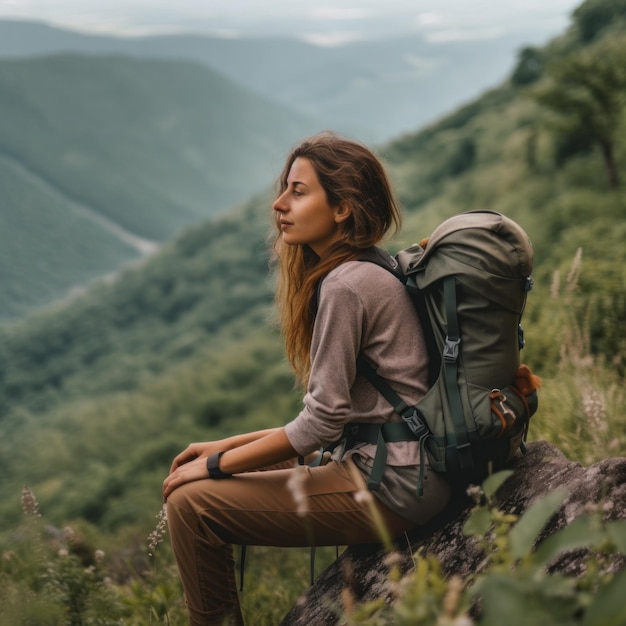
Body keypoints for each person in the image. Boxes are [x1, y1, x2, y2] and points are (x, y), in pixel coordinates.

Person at [162, 132, 452, 626]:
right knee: (205, 477)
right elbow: (332, 419)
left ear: (341, 208)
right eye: (285, 189)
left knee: (192, 505)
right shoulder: (372, 265)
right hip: (411, 467)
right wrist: (221, 447)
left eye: (299, 191)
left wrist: (214, 467)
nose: (279, 204)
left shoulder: (345, 285)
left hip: (394, 483)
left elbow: (320, 425)